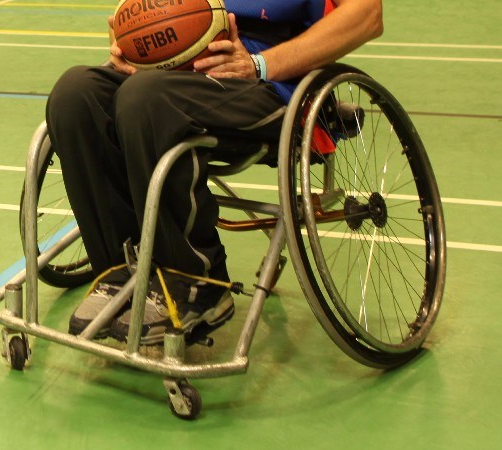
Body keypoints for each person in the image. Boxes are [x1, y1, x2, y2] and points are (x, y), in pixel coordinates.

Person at [45, 0, 383, 344]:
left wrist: (260, 64)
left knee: (146, 98)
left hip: (272, 88)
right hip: (171, 76)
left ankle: (197, 283)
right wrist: (130, 45)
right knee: (75, 95)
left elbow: (367, 15)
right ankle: (120, 271)